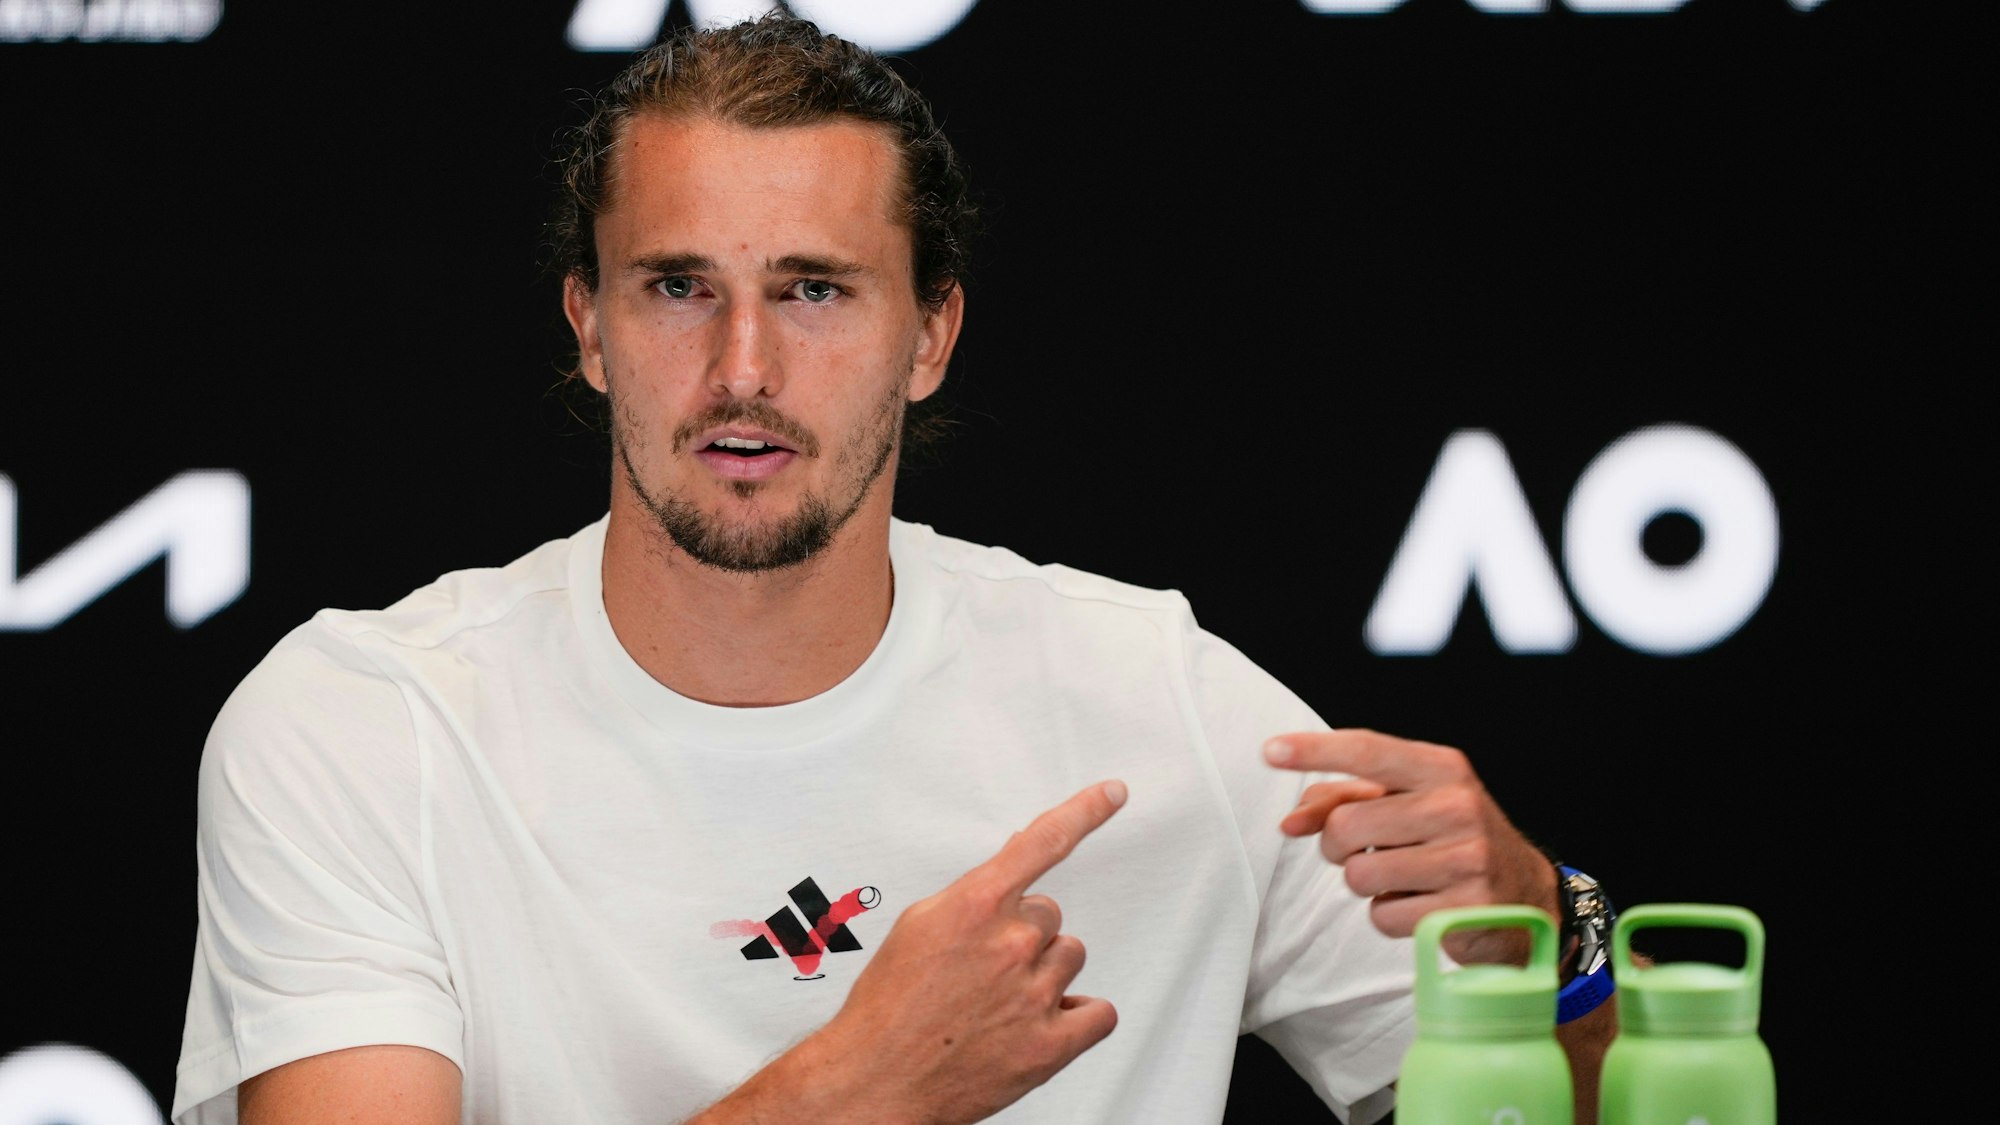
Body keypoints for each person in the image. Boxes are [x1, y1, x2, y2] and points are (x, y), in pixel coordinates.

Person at [172, 14, 1618, 1125]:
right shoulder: (361, 727)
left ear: (930, 335)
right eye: (679, 288)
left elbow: (1594, 1094)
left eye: (815, 291)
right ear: (591, 326)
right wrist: (854, 1086)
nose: (743, 370)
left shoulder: (1158, 703)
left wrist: (1557, 934)